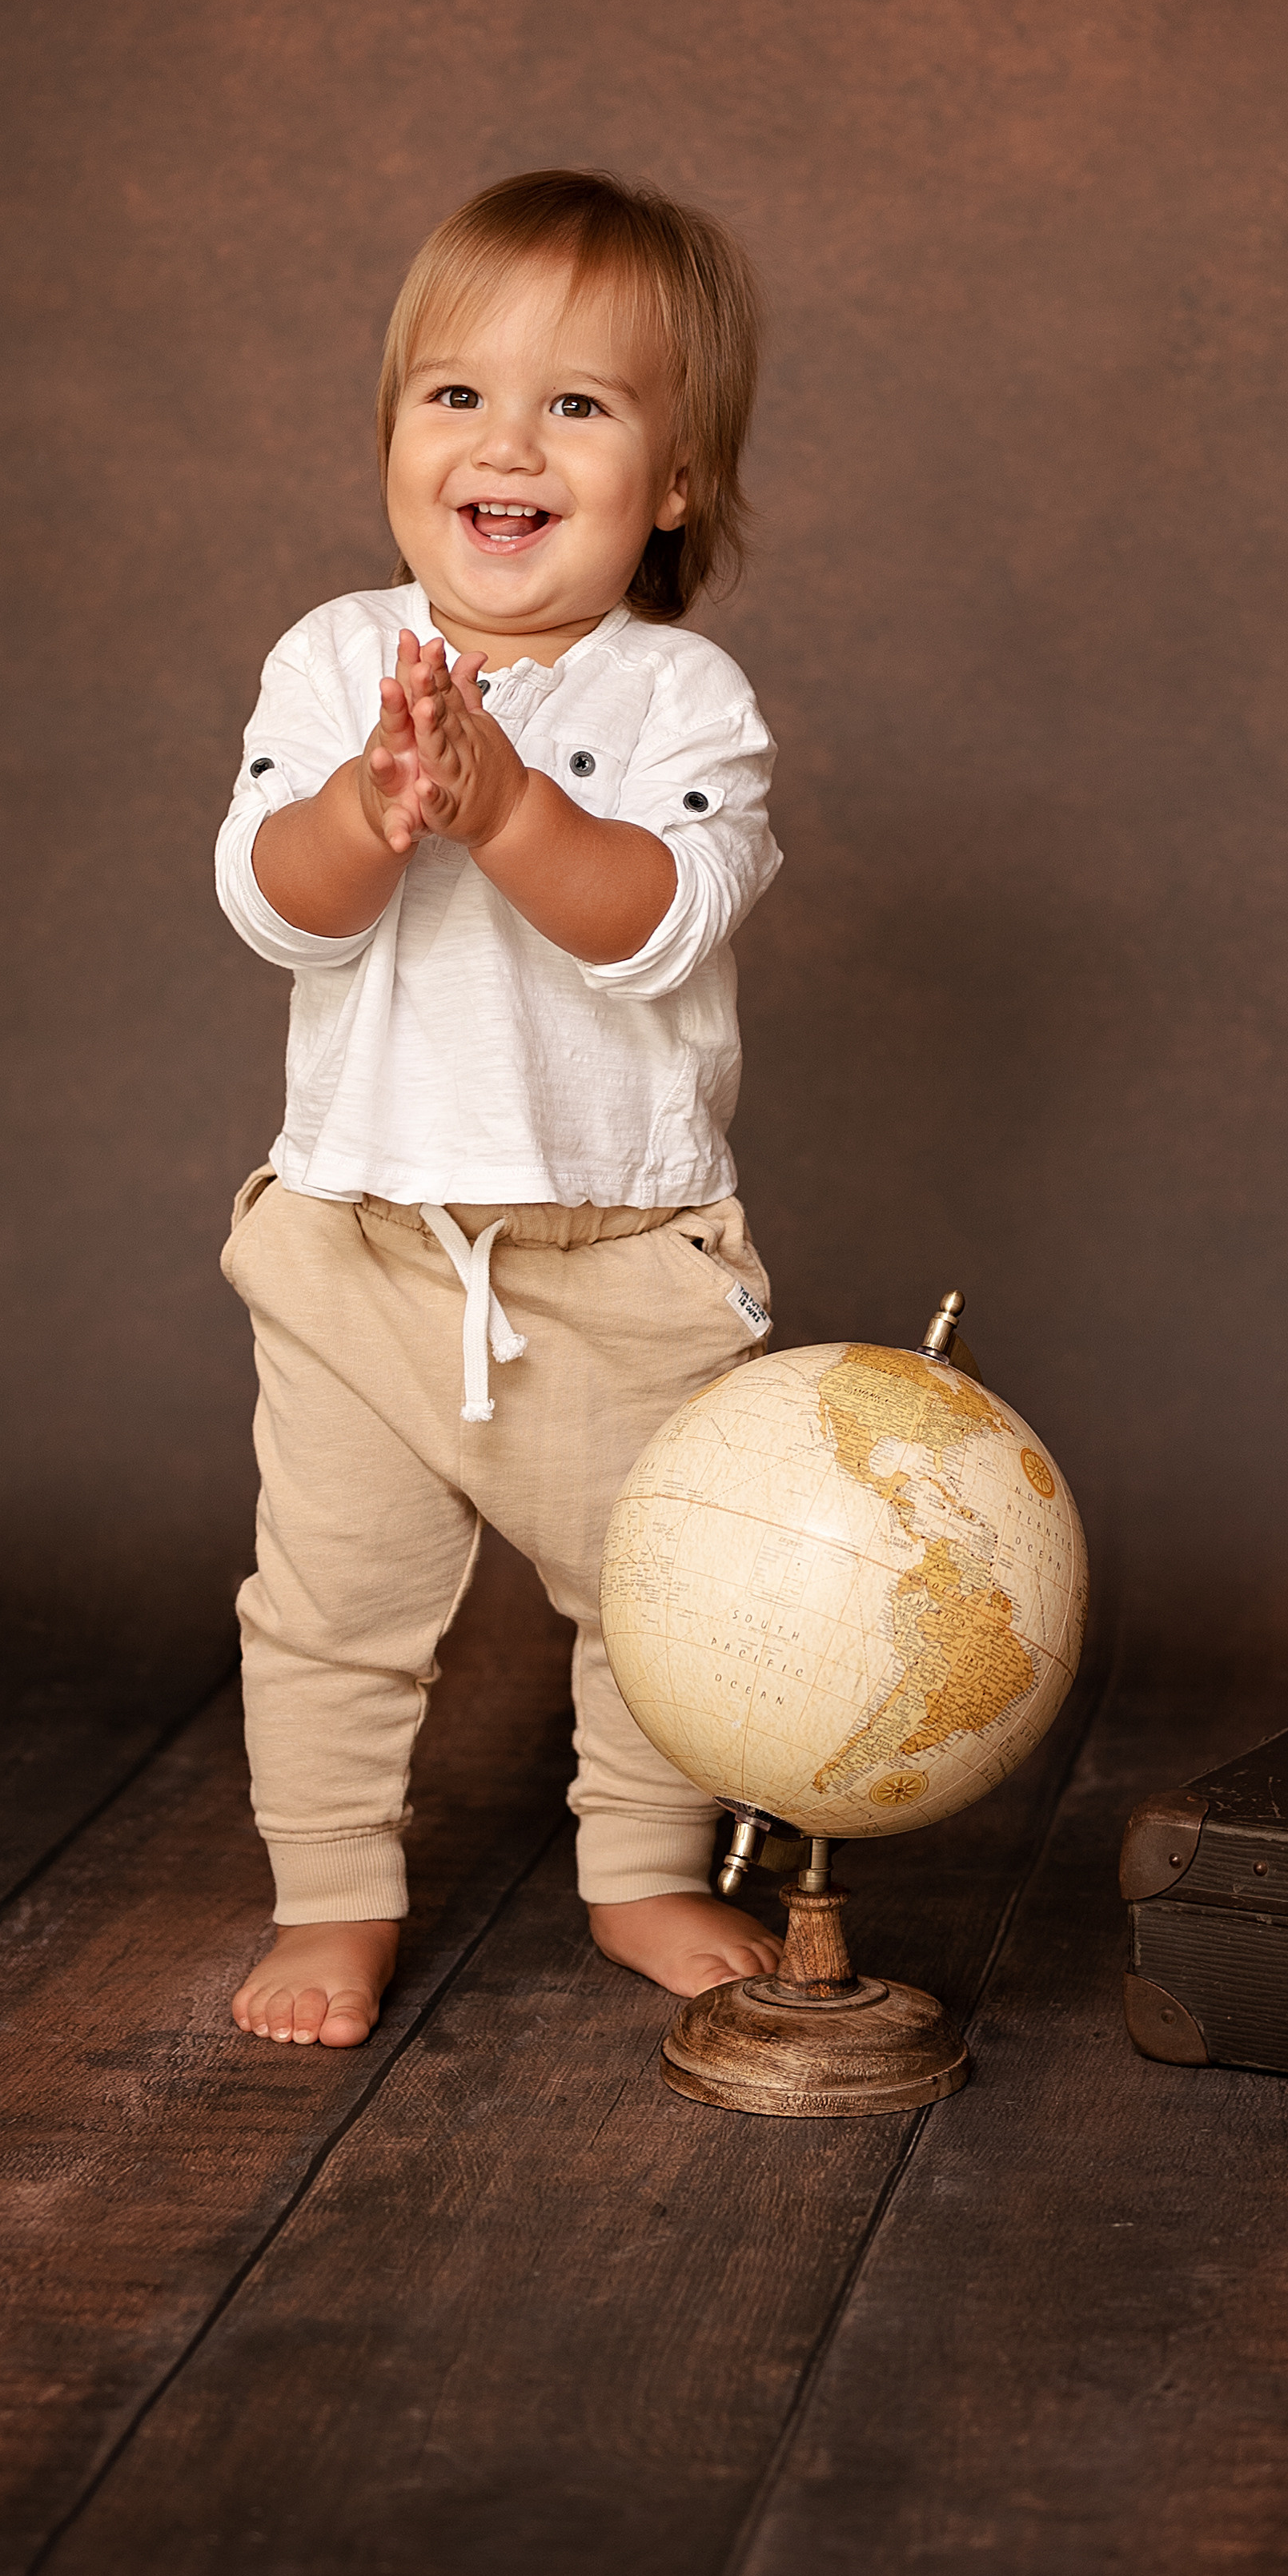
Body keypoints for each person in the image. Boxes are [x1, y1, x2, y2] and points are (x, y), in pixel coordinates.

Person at [215, 169, 787, 2048]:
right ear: (393, 435)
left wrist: (504, 805)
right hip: (362, 1244)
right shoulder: (333, 661)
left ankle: (637, 1865)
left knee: (662, 1597)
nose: (506, 443)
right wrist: (366, 817)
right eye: (456, 394)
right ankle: (331, 1895)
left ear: (674, 478)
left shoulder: (683, 694)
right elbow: (269, 906)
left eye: (580, 405)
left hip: (616, 1260)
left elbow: (655, 926)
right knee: (329, 1605)